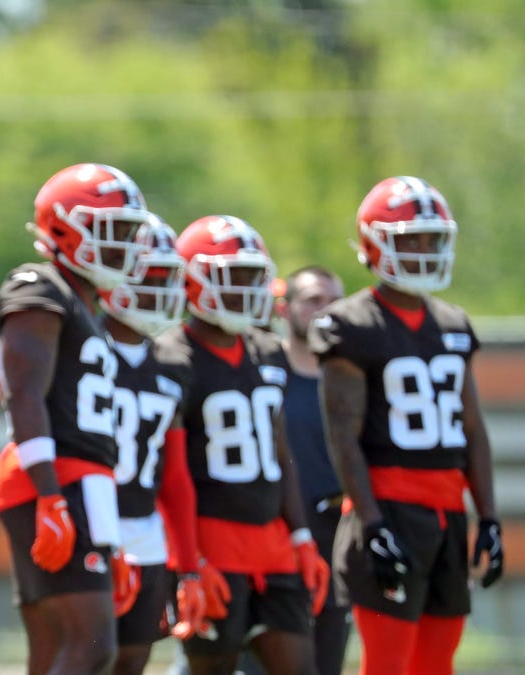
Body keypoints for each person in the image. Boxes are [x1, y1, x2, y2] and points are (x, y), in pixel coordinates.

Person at [309, 176, 503, 675]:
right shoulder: (350, 325)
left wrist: (489, 515)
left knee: (437, 663)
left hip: (447, 511)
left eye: (430, 238)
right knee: (388, 664)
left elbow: (473, 429)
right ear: (374, 244)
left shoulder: (454, 325)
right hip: (389, 509)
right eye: (408, 239)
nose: (422, 250)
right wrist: (372, 523)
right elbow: (343, 436)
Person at [0, 163, 144, 675]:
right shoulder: (40, 285)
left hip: (84, 482)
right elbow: (25, 395)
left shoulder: (84, 302)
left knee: (55, 650)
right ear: (62, 227)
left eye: (128, 232)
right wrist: (49, 494)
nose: (123, 245)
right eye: (111, 231)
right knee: (93, 644)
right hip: (54, 478)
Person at [158, 215, 329, 675]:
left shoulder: (268, 351)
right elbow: (169, 472)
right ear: (193, 280)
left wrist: (301, 536)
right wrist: (188, 560)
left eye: (253, 276)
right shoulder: (172, 358)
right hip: (212, 537)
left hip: (272, 541)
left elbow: (279, 454)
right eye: (231, 277)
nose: (245, 289)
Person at [96, 214, 208, 674]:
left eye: (166, 278)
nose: (157, 290)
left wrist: (189, 565)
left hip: (145, 526)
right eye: (147, 277)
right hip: (92, 520)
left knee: (132, 659)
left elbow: (175, 476)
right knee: (85, 654)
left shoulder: (173, 363)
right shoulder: (85, 347)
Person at [276, 265, 349, 675]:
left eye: (334, 302)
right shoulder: (263, 369)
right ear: (285, 309)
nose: (324, 312)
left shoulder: (353, 376)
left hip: (334, 543)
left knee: (325, 661)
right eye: (313, 300)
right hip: (273, 539)